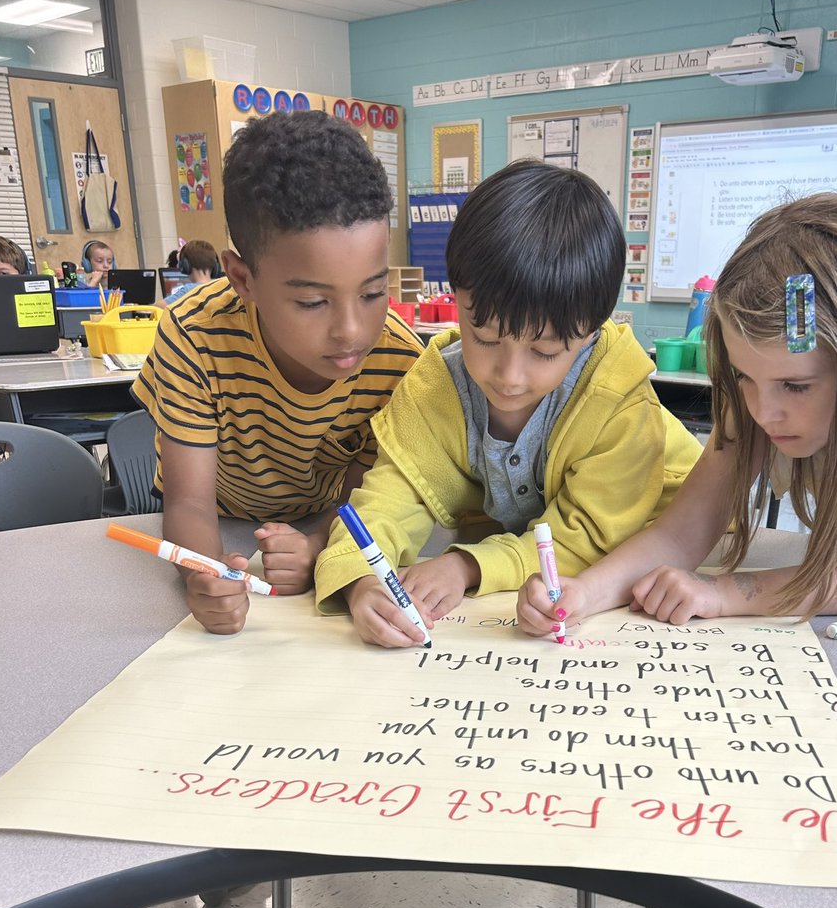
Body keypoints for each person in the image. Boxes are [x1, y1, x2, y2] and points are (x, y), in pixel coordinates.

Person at [518, 192, 837, 636]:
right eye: (745, 376)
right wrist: (584, 593)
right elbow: (681, 534)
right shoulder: (765, 384)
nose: (763, 411)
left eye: (797, 385)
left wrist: (725, 593)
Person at [315, 158, 704, 647]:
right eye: (483, 337)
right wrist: (361, 579)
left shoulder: (618, 400)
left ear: (589, 335)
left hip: (666, 547)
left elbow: (592, 538)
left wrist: (467, 564)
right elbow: (390, 500)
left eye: (544, 352)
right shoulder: (435, 388)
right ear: (457, 298)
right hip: (542, 567)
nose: (510, 376)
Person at [132, 111, 423, 635]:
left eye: (374, 291)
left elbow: (365, 503)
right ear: (243, 278)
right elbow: (189, 501)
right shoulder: (194, 334)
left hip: (323, 521)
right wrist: (205, 574)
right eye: (313, 301)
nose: (352, 330)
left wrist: (316, 547)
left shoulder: (399, 361)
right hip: (213, 522)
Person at [156, 238, 221, 307]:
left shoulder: (188, 290)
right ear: (216, 267)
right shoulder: (222, 285)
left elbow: (159, 306)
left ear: (185, 265)